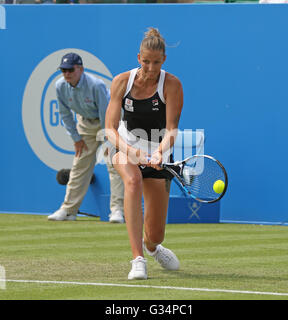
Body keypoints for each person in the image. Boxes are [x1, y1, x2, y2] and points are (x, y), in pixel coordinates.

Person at [105, 27, 183, 280]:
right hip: (124, 145)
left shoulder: (171, 84)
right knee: (132, 180)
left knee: (156, 233)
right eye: (146, 61)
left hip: (157, 151)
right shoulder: (121, 82)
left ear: (164, 60)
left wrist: (159, 153)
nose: (151, 68)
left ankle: (152, 248)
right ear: (138, 58)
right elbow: (109, 128)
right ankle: (138, 259)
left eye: (156, 62)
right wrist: (131, 151)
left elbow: (172, 130)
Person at [48, 52, 124, 223]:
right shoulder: (60, 86)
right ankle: (69, 210)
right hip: (85, 124)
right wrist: (76, 139)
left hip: (108, 122)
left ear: (80, 69)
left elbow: (106, 113)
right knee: (79, 165)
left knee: (114, 164)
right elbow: (65, 114)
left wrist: (108, 140)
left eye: (70, 70)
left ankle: (117, 210)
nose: (66, 74)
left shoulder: (95, 85)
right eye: (63, 70)